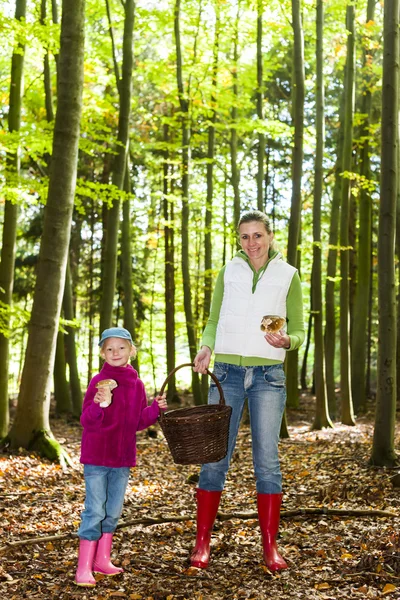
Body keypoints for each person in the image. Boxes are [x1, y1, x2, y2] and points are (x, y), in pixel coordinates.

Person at [192, 210, 304, 572]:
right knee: (214, 459)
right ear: (238, 240)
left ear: (270, 236)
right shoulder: (229, 271)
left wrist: (287, 340)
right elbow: (213, 321)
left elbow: (300, 330)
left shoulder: (288, 275)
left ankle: (270, 548)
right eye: (245, 237)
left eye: (258, 235)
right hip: (225, 373)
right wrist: (206, 347)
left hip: (269, 375)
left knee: (267, 462)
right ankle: (202, 544)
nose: (251, 243)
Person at [75, 327, 167, 587]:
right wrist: (98, 406)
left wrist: (155, 410)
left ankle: (102, 560)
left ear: (131, 351)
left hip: (123, 457)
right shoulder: (97, 382)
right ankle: (83, 568)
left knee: (113, 512)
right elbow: (87, 421)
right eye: (110, 348)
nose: (116, 353)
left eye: (121, 347)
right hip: (96, 457)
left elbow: (137, 421)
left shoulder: (137, 384)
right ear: (103, 353)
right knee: (95, 510)